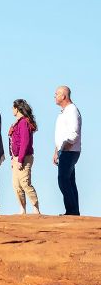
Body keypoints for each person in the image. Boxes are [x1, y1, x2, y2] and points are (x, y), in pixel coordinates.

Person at [53, 86, 82, 216]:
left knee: (63, 179)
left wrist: (64, 146)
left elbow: (74, 133)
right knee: (69, 180)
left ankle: (72, 211)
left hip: (70, 151)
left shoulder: (72, 111)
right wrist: (56, 150)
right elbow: (61, 134)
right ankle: (73, 210)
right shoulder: (64, 111)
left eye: (57, 94)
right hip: (64, 151)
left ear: (64, 96)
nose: (54, 96)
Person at [8, 99, 40, 215]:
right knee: (16, 184)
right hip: (17, 158)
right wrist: (13, 158)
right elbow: (12, 142)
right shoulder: (17, 123)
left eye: (13, 107)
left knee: (25, 183)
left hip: (24, 157)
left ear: (17, 108)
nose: (12, 110)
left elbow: (25, 142)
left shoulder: (24, 122)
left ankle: (35, 208)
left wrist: (20, 159)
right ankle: (22, 209)